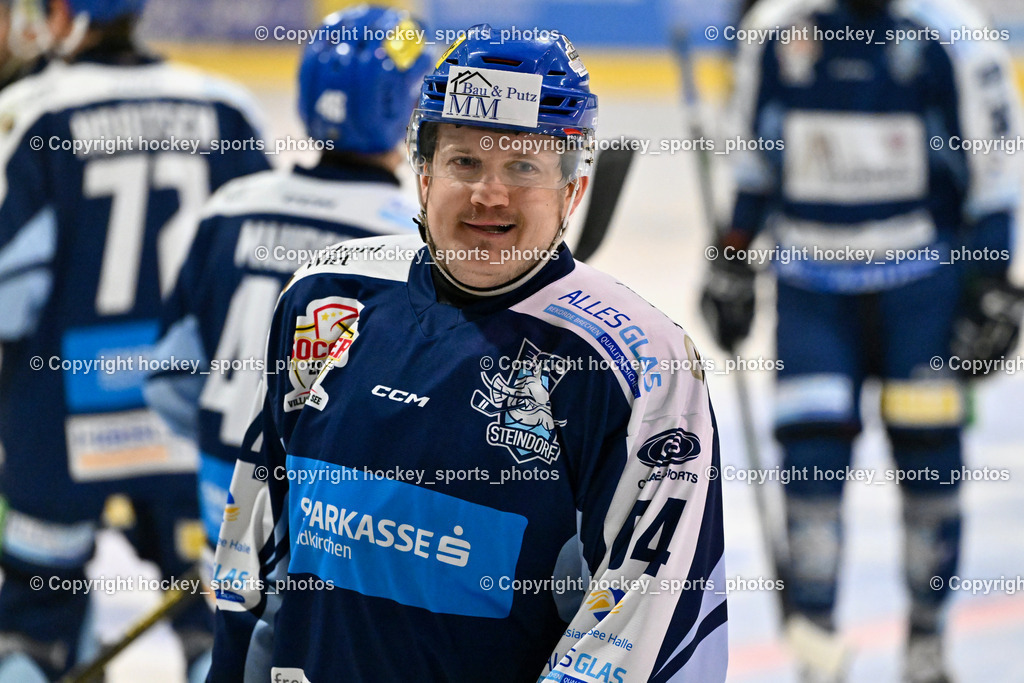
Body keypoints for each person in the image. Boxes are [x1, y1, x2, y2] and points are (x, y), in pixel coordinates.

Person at [208, 25, 728, 683]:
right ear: (422, 173)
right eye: (464, 161)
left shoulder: (636, 364)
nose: (489, 194)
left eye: (523, 166)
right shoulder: (328, 295)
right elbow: (251, 554)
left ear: (573, 189)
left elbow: (643, 619)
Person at [700, 0, 1023, 681]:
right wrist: (732, 256)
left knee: (930, 459)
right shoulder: (777, 31)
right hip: (810, 288)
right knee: (811, 459)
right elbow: (754, 167)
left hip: (923, 288)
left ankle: (927, 644)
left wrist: (991, 278)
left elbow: (995, 171)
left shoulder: (954, 32)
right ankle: (818, 646)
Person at [0, 0, 270, 679]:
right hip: (191, 422)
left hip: (57, 431)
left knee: (32, 623)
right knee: (216, 623)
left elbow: (8, 293)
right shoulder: (227, 108)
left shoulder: (32, 111)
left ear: (65, 14)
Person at [145, 3, 432, 565]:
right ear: (407, 109)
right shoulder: (411, 243)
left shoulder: (229, 208)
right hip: (334, 522)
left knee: (235, 641)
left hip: (219, 497)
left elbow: (169, 381)